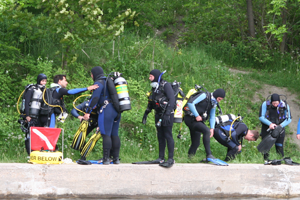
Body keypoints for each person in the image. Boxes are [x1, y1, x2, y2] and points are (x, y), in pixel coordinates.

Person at [83, 66, 121, 165]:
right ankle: (116, 159)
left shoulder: (99, 83)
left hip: (106, 110)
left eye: (91, 74)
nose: (91, 76)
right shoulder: (110, 81)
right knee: (114, 134)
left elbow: (95, 98)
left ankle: (106, 159)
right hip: (117, 110)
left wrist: (88, 111)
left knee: (105, 134)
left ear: (93, 74)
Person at [142, 69, 175, 168]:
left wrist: (168, 114)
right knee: (160, 136)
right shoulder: (155, 88)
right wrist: (146, 114)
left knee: (168, 135)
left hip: (167, 114)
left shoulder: (166, 85)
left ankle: (170, 159)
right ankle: (161, 157)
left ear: (156, 76)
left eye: (151, 76)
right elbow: (152, 101)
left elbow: (172, 99)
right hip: (159, 114)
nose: (149, 78)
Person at [184, 88, 226, 164]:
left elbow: (212, 116)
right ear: (216, 95)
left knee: (196, 143)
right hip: (190, 118)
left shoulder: (213, 103)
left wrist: (212, 128)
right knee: (206, 130)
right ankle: (209, 155)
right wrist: (196, 115)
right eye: (219, 99)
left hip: (197, 121)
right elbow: (190, 103)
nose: (219, 101)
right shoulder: (204, 95)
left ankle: (189, 160)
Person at [259, 93, 292, 160]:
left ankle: (280, 160)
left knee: (279, 146)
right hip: (267, 127)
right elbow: (261, 117)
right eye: (273, 103)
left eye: (276, 103)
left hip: (279, 128)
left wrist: (280, 126)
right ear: (271, 102)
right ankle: (265, 160)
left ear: (279, 102)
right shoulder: (265, 104)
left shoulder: (284, 105)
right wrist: (270, 124)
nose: (275, 105)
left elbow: (289, 119)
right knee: (266, 147)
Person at [23, 73, 48, 155]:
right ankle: (30, 153)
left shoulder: (44, 90)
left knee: (39, 135)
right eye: (42, 81)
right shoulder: (32, 89)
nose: (44, 83)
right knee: (30, 135)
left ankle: (38, 153)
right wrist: (27, 115)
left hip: (40, 116)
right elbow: (27, 102)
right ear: (39, 80)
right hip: (31, 116)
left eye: (45, 81)